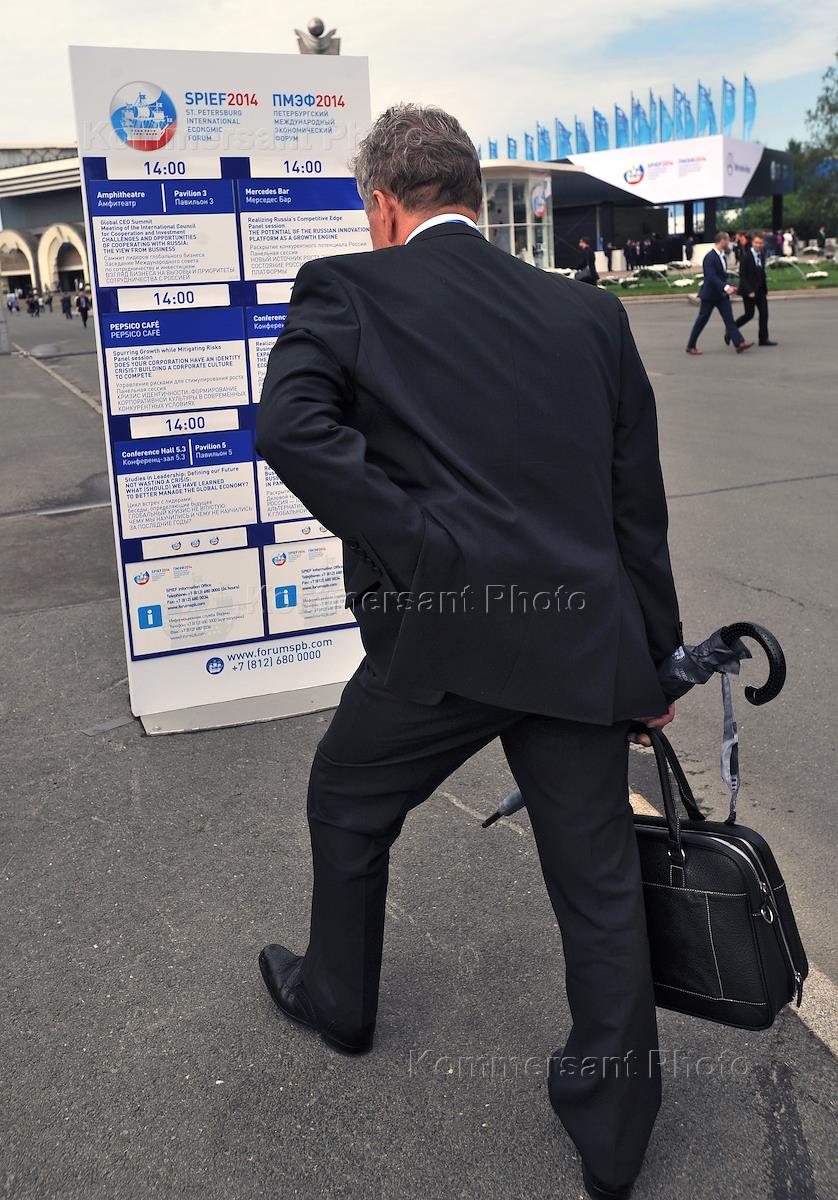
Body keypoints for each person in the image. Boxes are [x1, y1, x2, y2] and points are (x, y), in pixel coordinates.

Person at [256, 103, 680, 1200]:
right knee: (597, 882)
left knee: (347, 803)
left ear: (382, 204)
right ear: (473, 195)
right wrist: (656, 660)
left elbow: (291, 428)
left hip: (439, 638)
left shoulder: (345, 287)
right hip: (578, 639)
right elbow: (635, 505)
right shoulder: (587, 312)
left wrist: (418, 547)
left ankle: (339, 1002)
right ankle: (615, 1135)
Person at [685, 231, 752, 355]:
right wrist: (725, 287)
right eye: (728, 240)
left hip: (721, 295)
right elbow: (711, 277)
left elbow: (721, 275)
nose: (729, 243)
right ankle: (691, 345)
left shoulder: (722, 256)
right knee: (702, 320)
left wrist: (729, 286)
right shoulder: (710, 257)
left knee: (729, 319)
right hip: (710, 295)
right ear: (722, 241)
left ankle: (739, 343)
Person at [731, 232, 777, 347]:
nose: (758, 245)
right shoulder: (746, 257)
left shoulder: (762, 255)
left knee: (764, 314)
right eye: (756, 243)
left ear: (763, 244)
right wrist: (749, 291)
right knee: (749, 315)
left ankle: (763, 339)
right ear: (752, 243)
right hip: (749, 290)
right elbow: (742, 275)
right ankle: (731, 330)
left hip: (760, 289)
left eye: (760, 243)